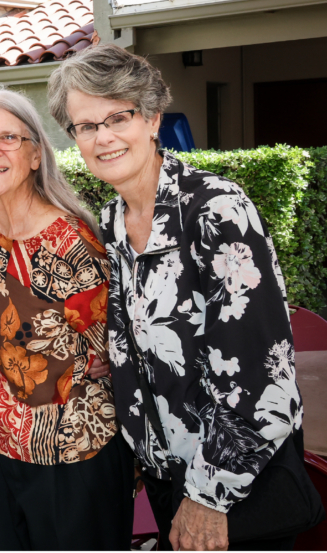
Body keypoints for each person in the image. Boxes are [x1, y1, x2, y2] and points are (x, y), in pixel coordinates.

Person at [48, 44, 314, 550]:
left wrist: (207, 499)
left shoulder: (215, 210)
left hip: (235, 487)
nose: (103, 137)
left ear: (152, 119)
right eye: (85, 125)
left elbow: (262, 377)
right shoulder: (111, 224)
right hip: (168, 480)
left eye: (117, 117)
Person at [0, 87, 134, 550]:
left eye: (8, 139)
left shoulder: (70, 242)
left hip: (75, 459)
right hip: (2, 454)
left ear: (36, 155)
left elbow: (115, 357)